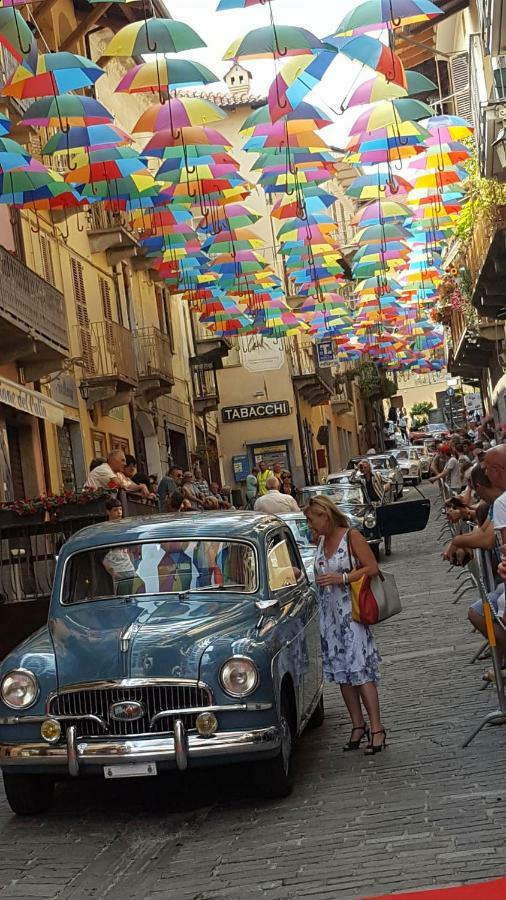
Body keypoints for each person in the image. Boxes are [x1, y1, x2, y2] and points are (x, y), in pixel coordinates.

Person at [304, 495, 385, 754]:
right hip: (330, 618)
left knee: (361, 672)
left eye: (310, 520)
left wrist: (343, 577)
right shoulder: (319, 543)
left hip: (352, 614)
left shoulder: (351, 537)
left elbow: (372, 568)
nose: (309, 526)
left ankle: (376, 728)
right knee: (343, 674)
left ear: (324, 516)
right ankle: (357, 724)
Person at [351, 459, 392, 555]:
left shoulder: (377, 475)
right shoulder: (362, 479)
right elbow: (351, 480)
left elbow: (389, 480)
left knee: (386, 526)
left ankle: (388, 547)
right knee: (371, 523)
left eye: (365, 467)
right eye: (362, 468)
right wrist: (356, 469)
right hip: (370, 505)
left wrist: (387, 486)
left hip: (381, 503)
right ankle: (373, 541)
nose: (364, 469)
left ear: (369, 467)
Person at [85, 450, 151, 499]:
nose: (125, 464)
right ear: (113, 460)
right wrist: (140, 487)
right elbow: (120, 484)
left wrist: (143, 487)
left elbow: (130, 486)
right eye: (122, 460)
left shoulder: (117, 473)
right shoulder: (104, 469)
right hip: (91, 508)